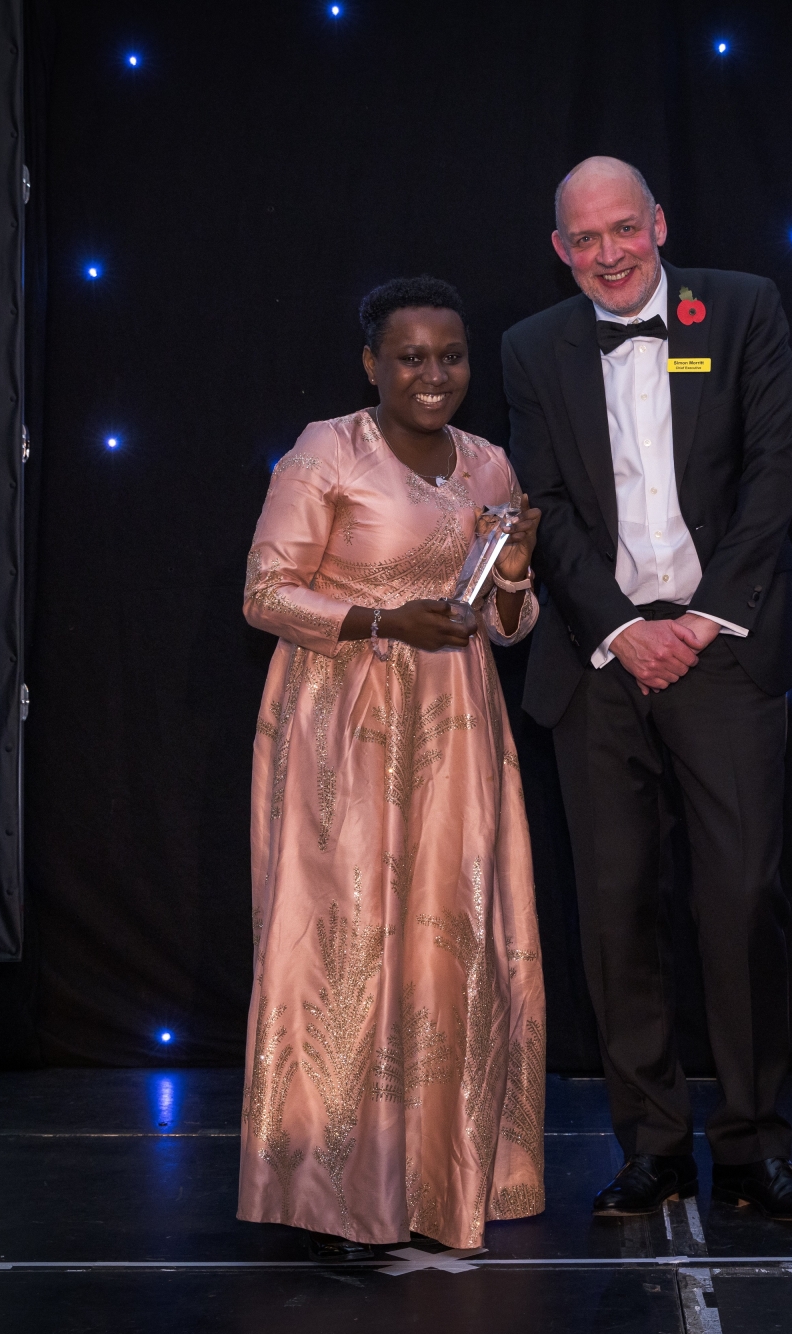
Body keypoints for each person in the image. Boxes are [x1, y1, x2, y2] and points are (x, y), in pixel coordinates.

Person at [502, 158, 792, 1221]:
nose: (606, 253)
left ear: (657, 223)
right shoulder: (529, 347)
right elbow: (542, 502)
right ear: (560, 249)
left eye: (622, 230)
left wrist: (696, 618)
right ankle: (649, 1144)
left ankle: (747, 1145)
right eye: (583, 238)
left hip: (722, 653)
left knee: (738, 902)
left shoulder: (738, 308)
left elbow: (776, 469)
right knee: (613, 911)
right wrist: (618, 629)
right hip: (599, 667)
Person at [238, 276, 547, 1260]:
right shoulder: (328, 448)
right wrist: (378, 618)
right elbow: (264, 591)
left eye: (449, 356)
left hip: (455, 721)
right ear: (370, 363)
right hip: (344, 717)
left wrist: (509, 572)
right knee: (348, 939)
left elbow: (506, 628)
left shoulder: (488, 462)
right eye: (409, 356)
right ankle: (338, 1189)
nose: (432, 374)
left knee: (449, 939)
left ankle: (442, 1174)